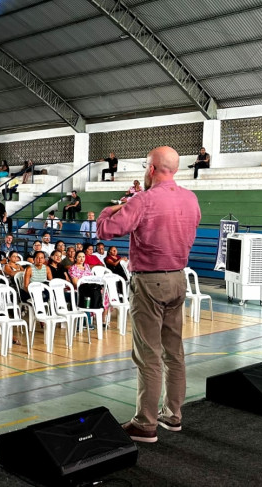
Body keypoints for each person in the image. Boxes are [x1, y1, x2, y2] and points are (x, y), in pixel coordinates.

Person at [97, 145, 201, 443]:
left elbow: (106, 230)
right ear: (176, 170)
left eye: (146, 165)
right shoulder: (191, 199)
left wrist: (112, 208)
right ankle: (173, 415)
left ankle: (146, 423)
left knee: (148, 355)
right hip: (179, 279)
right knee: (174, 351)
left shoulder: (143, 200)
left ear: (151, 169)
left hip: (149, 282)